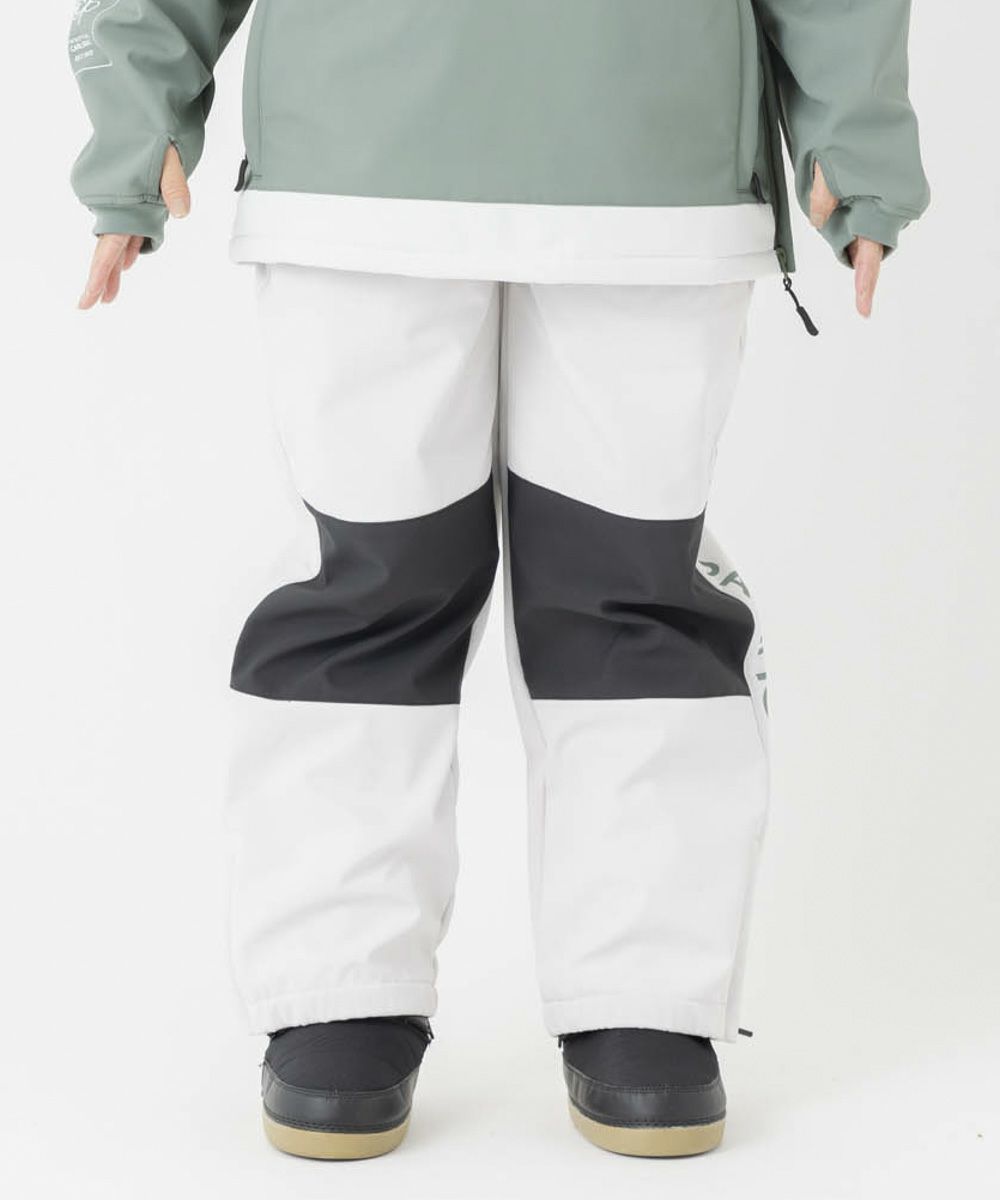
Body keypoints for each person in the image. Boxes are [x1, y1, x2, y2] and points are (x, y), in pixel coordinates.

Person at [70, 0, 928, 1161]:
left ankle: (643, 991)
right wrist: (134, 120)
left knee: (624, 592)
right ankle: (339, 985)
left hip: (647, 170)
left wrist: (854, 144)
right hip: (366, 169)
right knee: (376, 593)